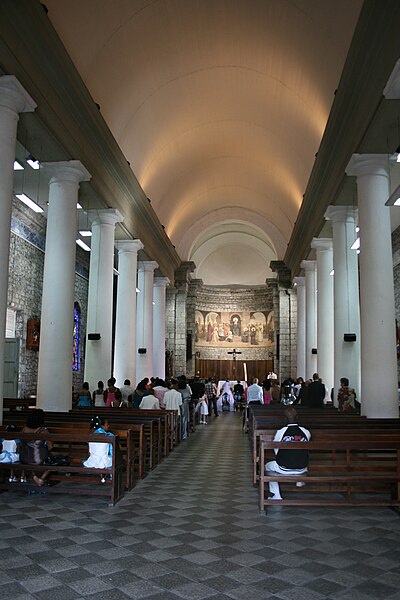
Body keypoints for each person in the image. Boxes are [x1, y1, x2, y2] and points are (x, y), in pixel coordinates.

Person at [266, 406, 311, 500]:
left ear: (284, 419)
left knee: (266, 466)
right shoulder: (306, 432)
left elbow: (276, 449)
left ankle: (276, 495)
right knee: (298, 455)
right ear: (298, 417)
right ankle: (299, 482)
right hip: (302, 467)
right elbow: (305, 449)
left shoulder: (281, 432)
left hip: (284, 467)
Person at [20, 409, 53, 486]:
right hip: (38, 458)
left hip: (24, 456)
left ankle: (34, 476)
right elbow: (50, 446)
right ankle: (41, 479)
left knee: (28, 461)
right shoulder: (43, 431)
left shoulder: (23, 429)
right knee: (52, 462)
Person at [83, 416, 114, 481]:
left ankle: (102, 474)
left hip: (92, 460)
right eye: (107, 424)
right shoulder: (109, 435)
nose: (108, 425)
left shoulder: (91, 436)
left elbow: (89, 452)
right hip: (105, 461)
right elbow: (113, 450)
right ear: (102, 426)